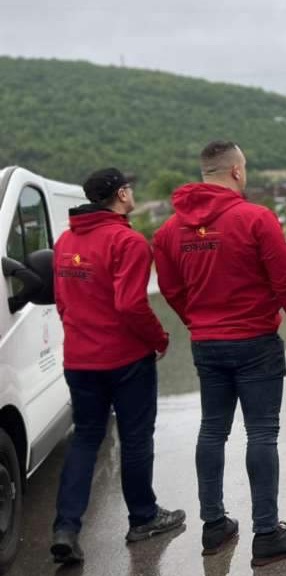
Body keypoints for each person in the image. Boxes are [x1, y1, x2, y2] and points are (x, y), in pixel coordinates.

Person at [153, 141, 286, 567]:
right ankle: (266, 533)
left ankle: (214, 526)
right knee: (261, 433)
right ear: (236, 172)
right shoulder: (255, 218)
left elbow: (172, 289)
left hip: (208, 344)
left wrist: (199, 323)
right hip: (255, 343)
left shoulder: (170, 231)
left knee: (212, 431)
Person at [50, 167, 186, 564]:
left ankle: (66, 527)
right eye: (129, 188)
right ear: (121, 195)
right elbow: (130, 304)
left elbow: (62, 301)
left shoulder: (65, 241)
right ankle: (143, 517)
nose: (132, 193)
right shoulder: (127, 241)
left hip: (80, 360)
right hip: (125, 360)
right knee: (136, 438)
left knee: (86, 438)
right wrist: (158, 339)